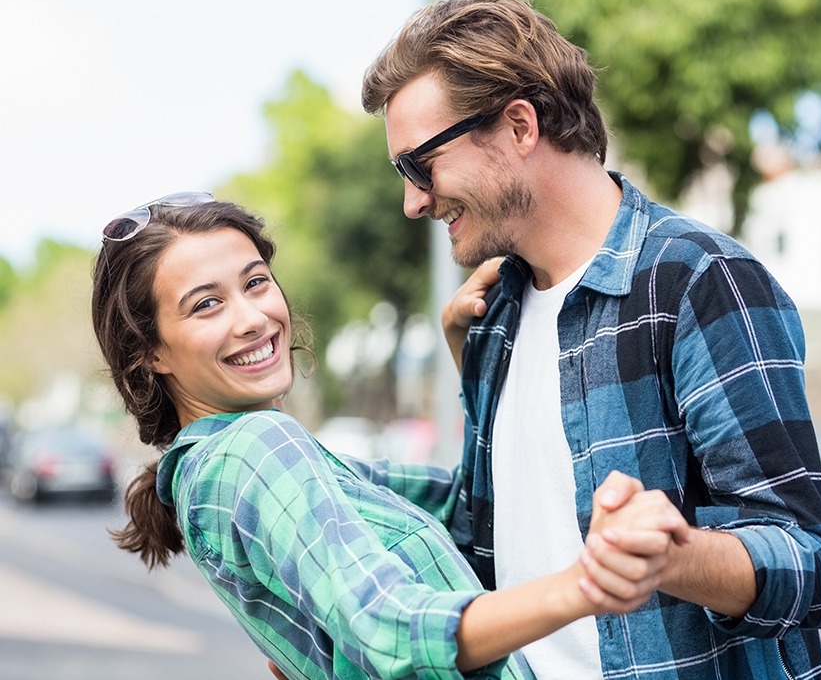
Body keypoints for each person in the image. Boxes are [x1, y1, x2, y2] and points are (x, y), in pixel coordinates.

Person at [361, 0, 821, 679]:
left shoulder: (696, 280)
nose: (413, 200)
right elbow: (485, 547)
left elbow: (813, 562)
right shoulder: (491, 314)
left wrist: (674, 557)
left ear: (518, 128)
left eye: (419, 165)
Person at [90, 194, 688, 680]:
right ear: (151, 354)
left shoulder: (204, 471)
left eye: (255, 282)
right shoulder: (258, 448)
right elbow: (388, 628)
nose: (250, 318)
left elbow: (468, 512)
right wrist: (589, 584)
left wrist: (470, 358)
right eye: (206, 305)